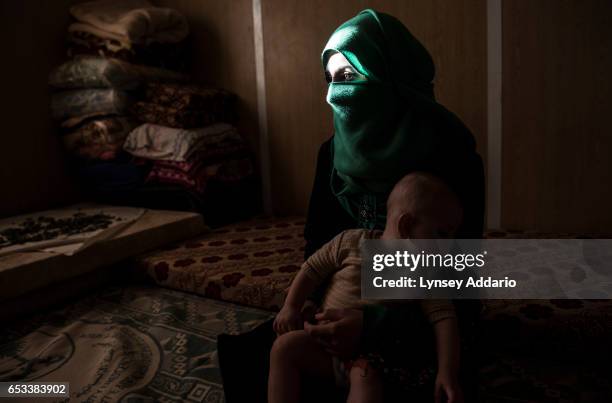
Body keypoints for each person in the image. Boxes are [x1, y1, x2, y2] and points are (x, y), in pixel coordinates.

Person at [217, 9, 484, 403]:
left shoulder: (452, 154)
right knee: (257, 356)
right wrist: (312, 309)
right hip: (339, 308)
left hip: (416, 309)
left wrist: (374, 325)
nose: (333, 94)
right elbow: (318, 246)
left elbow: (460, 275)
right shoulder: (332, 155)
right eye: (330, 78)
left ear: (393, 76)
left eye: (348, 77)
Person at [269, 172, 464, 403]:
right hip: (324, 345)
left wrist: (447, 373)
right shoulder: (350, 242)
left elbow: (445, 320)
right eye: (442, 234)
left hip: (374, 358)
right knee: (283, 347)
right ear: (407, 225)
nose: (449, 247)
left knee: (366, 380)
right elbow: (311, 269)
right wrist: (291, 307)